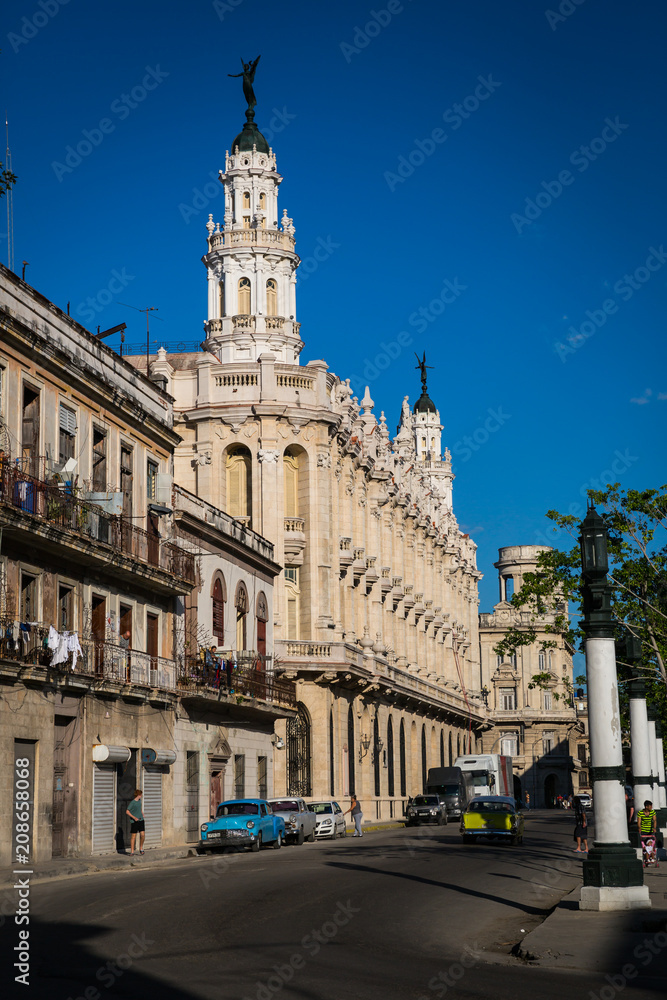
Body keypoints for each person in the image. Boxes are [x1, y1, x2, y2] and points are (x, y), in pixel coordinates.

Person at [126, 789, 145, 855]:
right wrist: (134, 818)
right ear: (138, 795)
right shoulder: (132, 803)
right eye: (141, 794)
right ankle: (132, 851)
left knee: (142, 835)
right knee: (133, 836)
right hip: (134, 821)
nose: (141, 796)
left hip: (141, 820)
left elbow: (139, 808)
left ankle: (141, 848)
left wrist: (142, 813)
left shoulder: (139, 801)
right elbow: (127, 811)